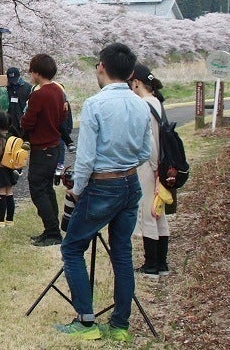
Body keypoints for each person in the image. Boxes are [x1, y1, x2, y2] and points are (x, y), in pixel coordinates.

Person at [55, 43, 151, 341]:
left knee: (72, 248)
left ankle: (86, 322)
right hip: (130, 183)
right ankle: (120, 325)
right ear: (131, 72)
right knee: (122, 253)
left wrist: (76, 190)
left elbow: (85, 159)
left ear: (101, 66)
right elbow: (145, 152)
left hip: (102, 184)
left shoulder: (96, 104)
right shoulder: (141, 104)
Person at [128, 63, 171, 278]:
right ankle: (162, 263)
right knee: (158, 212)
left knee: (148, 212)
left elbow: (151, 141)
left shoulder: (143, 105)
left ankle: (151, 264)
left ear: (136, 83)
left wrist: (154, 170)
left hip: (149, 165)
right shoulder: (157, 102)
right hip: (161, 165)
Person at [19, 53, 67, 246]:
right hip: (54, 145)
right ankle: (52, 229)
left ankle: (52, 232)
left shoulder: (39, 94)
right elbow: (64, 115)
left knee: (38, 189)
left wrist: (23, 123)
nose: (30, 74)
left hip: (42, 147)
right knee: (47, 188)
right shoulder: (58, 90)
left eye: (32, 70)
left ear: (37, 72)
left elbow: (28, 121)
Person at [5, 67, 32, 132]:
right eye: (11, 80)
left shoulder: (28, 87)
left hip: (23, 121)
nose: (13, 82)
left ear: (19, 77)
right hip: (11, 121)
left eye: (15, 80)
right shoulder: (7, 88)